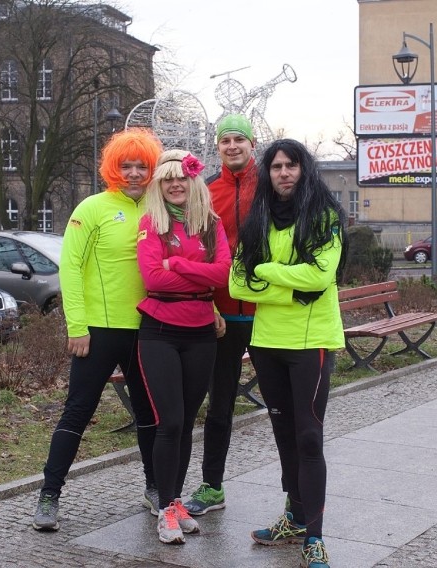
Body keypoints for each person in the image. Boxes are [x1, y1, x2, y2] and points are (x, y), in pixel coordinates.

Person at [32, 129, 163, 532]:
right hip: (98, 332)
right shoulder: (92, 208)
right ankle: (49, 496)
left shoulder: (159, 210)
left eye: (143, 166)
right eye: (127, 166)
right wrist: (77, 325)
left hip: (147, 331)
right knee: (77, 412)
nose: (136, 173)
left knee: (149, 415)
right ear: (113, 168)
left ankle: (155, 488)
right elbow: (69, 268)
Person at [228, 138, 347, 568]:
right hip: (267, 343)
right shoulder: (257, 219)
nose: (283, 173)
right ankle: (294, 517)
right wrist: (289, 289)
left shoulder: (324, 216)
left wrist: (266, 271)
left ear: (304, 169)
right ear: (268, 172)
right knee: (283, 436)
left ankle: (313, 537)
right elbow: (236, 284)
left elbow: (320, 277)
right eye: (276, 166)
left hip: (310, 342)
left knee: (309, 436)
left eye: (291, 165)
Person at [135, 149, 231, 544]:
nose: (176, 184)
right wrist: (199, 279)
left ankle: (175, 502)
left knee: (187, 422)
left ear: (193, 182)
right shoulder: (151, 222)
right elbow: (153, 280)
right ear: (159, 185)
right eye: (168, 178)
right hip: (159, 331)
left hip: (201, 333)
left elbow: (223, 274)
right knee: (170, 422)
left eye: (182, 178)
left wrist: (180, 266)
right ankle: (165, 509)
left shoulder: (211, 223)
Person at [183, 113, 258, 516]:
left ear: (252, 144)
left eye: (239, 140)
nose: (232, 146)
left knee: (282, 405)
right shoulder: (207, 190)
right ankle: (212, 486)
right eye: (225, 140)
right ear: (218, 147)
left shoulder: (271, 185)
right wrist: (209, 303)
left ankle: (294, 492)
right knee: (220, 405)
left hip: (269, 313)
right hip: (224, 313)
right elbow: (196, 249)